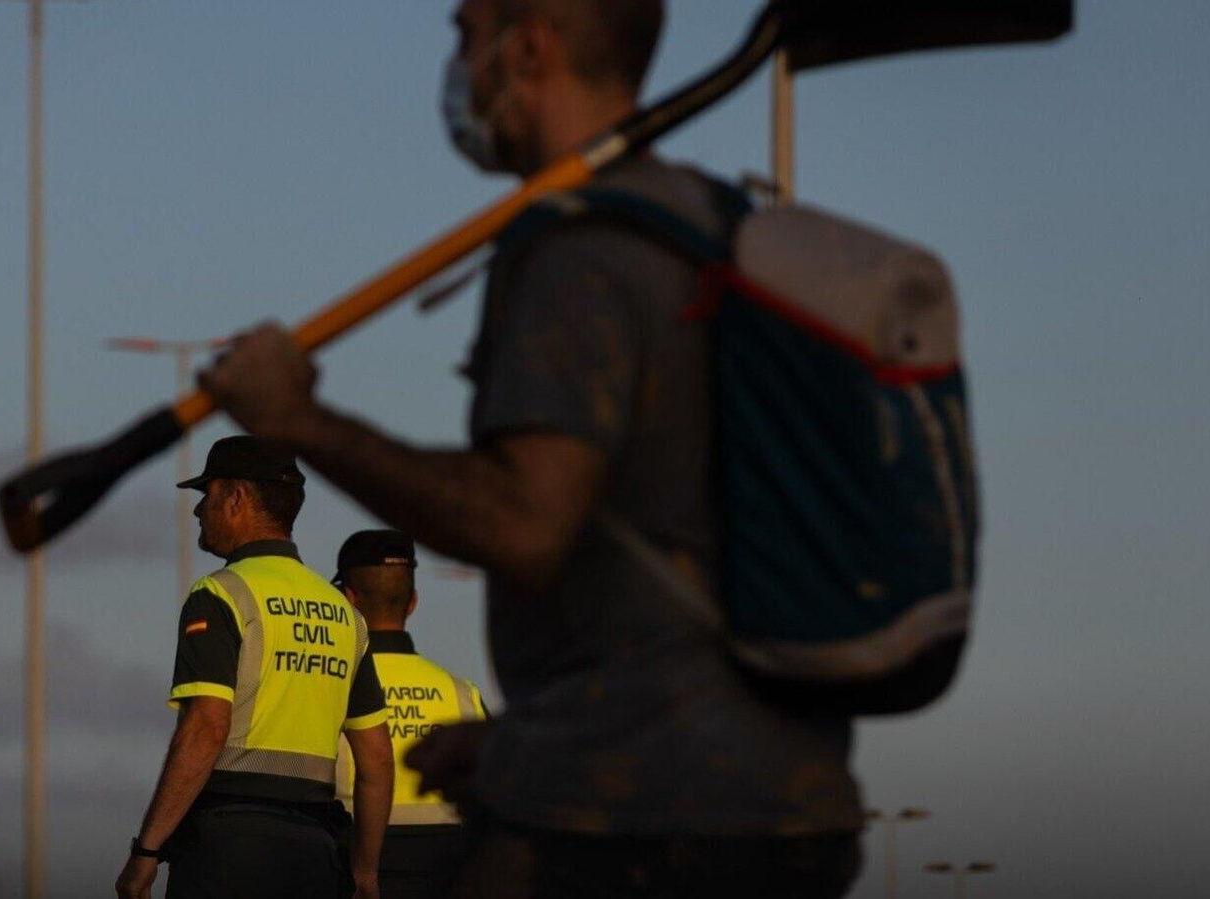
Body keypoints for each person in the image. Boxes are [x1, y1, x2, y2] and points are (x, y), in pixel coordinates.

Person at [194, 1, 866, 895]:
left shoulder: (576, 249)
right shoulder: (707, 222)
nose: (456, 62)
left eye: (465, 33)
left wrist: (299, 422)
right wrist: (515, 742)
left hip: (647, 814)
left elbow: (527, 522)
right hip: (780, 789)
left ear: (532, 46)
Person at [115, 435, 395, 899]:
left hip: (228, 848)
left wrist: (146, 852)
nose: (197, 510)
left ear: (237, 498)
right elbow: (377, 760)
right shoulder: (346, 615)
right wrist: (364, 872)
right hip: (315, 853)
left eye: (207, 495)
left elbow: (206, 726)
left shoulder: (223, 593)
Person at [331, 530, 489, 899]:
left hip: (348, 861)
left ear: (347, 599)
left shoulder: (332, 685)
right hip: (443, 867)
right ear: (413, 602)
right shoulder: (462, 692)